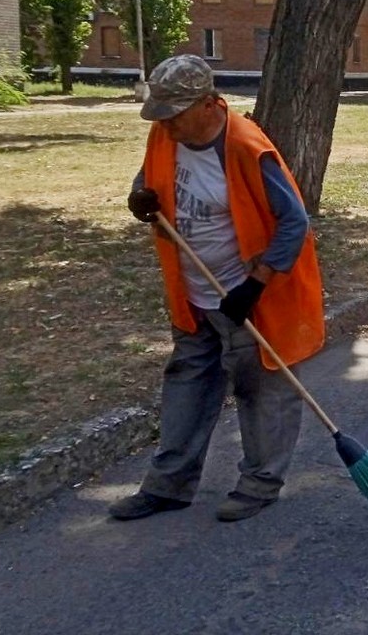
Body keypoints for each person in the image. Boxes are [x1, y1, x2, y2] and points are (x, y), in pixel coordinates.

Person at [110, 54, 325, 523]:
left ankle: (259, 484)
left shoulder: (247, 146)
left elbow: (294, 221)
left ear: (208, 104)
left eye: (174, 116)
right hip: (193, 291)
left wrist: (255, 283)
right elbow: (148, 181)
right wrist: (141, 200)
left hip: (248, 295)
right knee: (186, 385)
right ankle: (169, 486)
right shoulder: (165, 134)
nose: (165, 127)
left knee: (260, 390)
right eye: (159, 117)